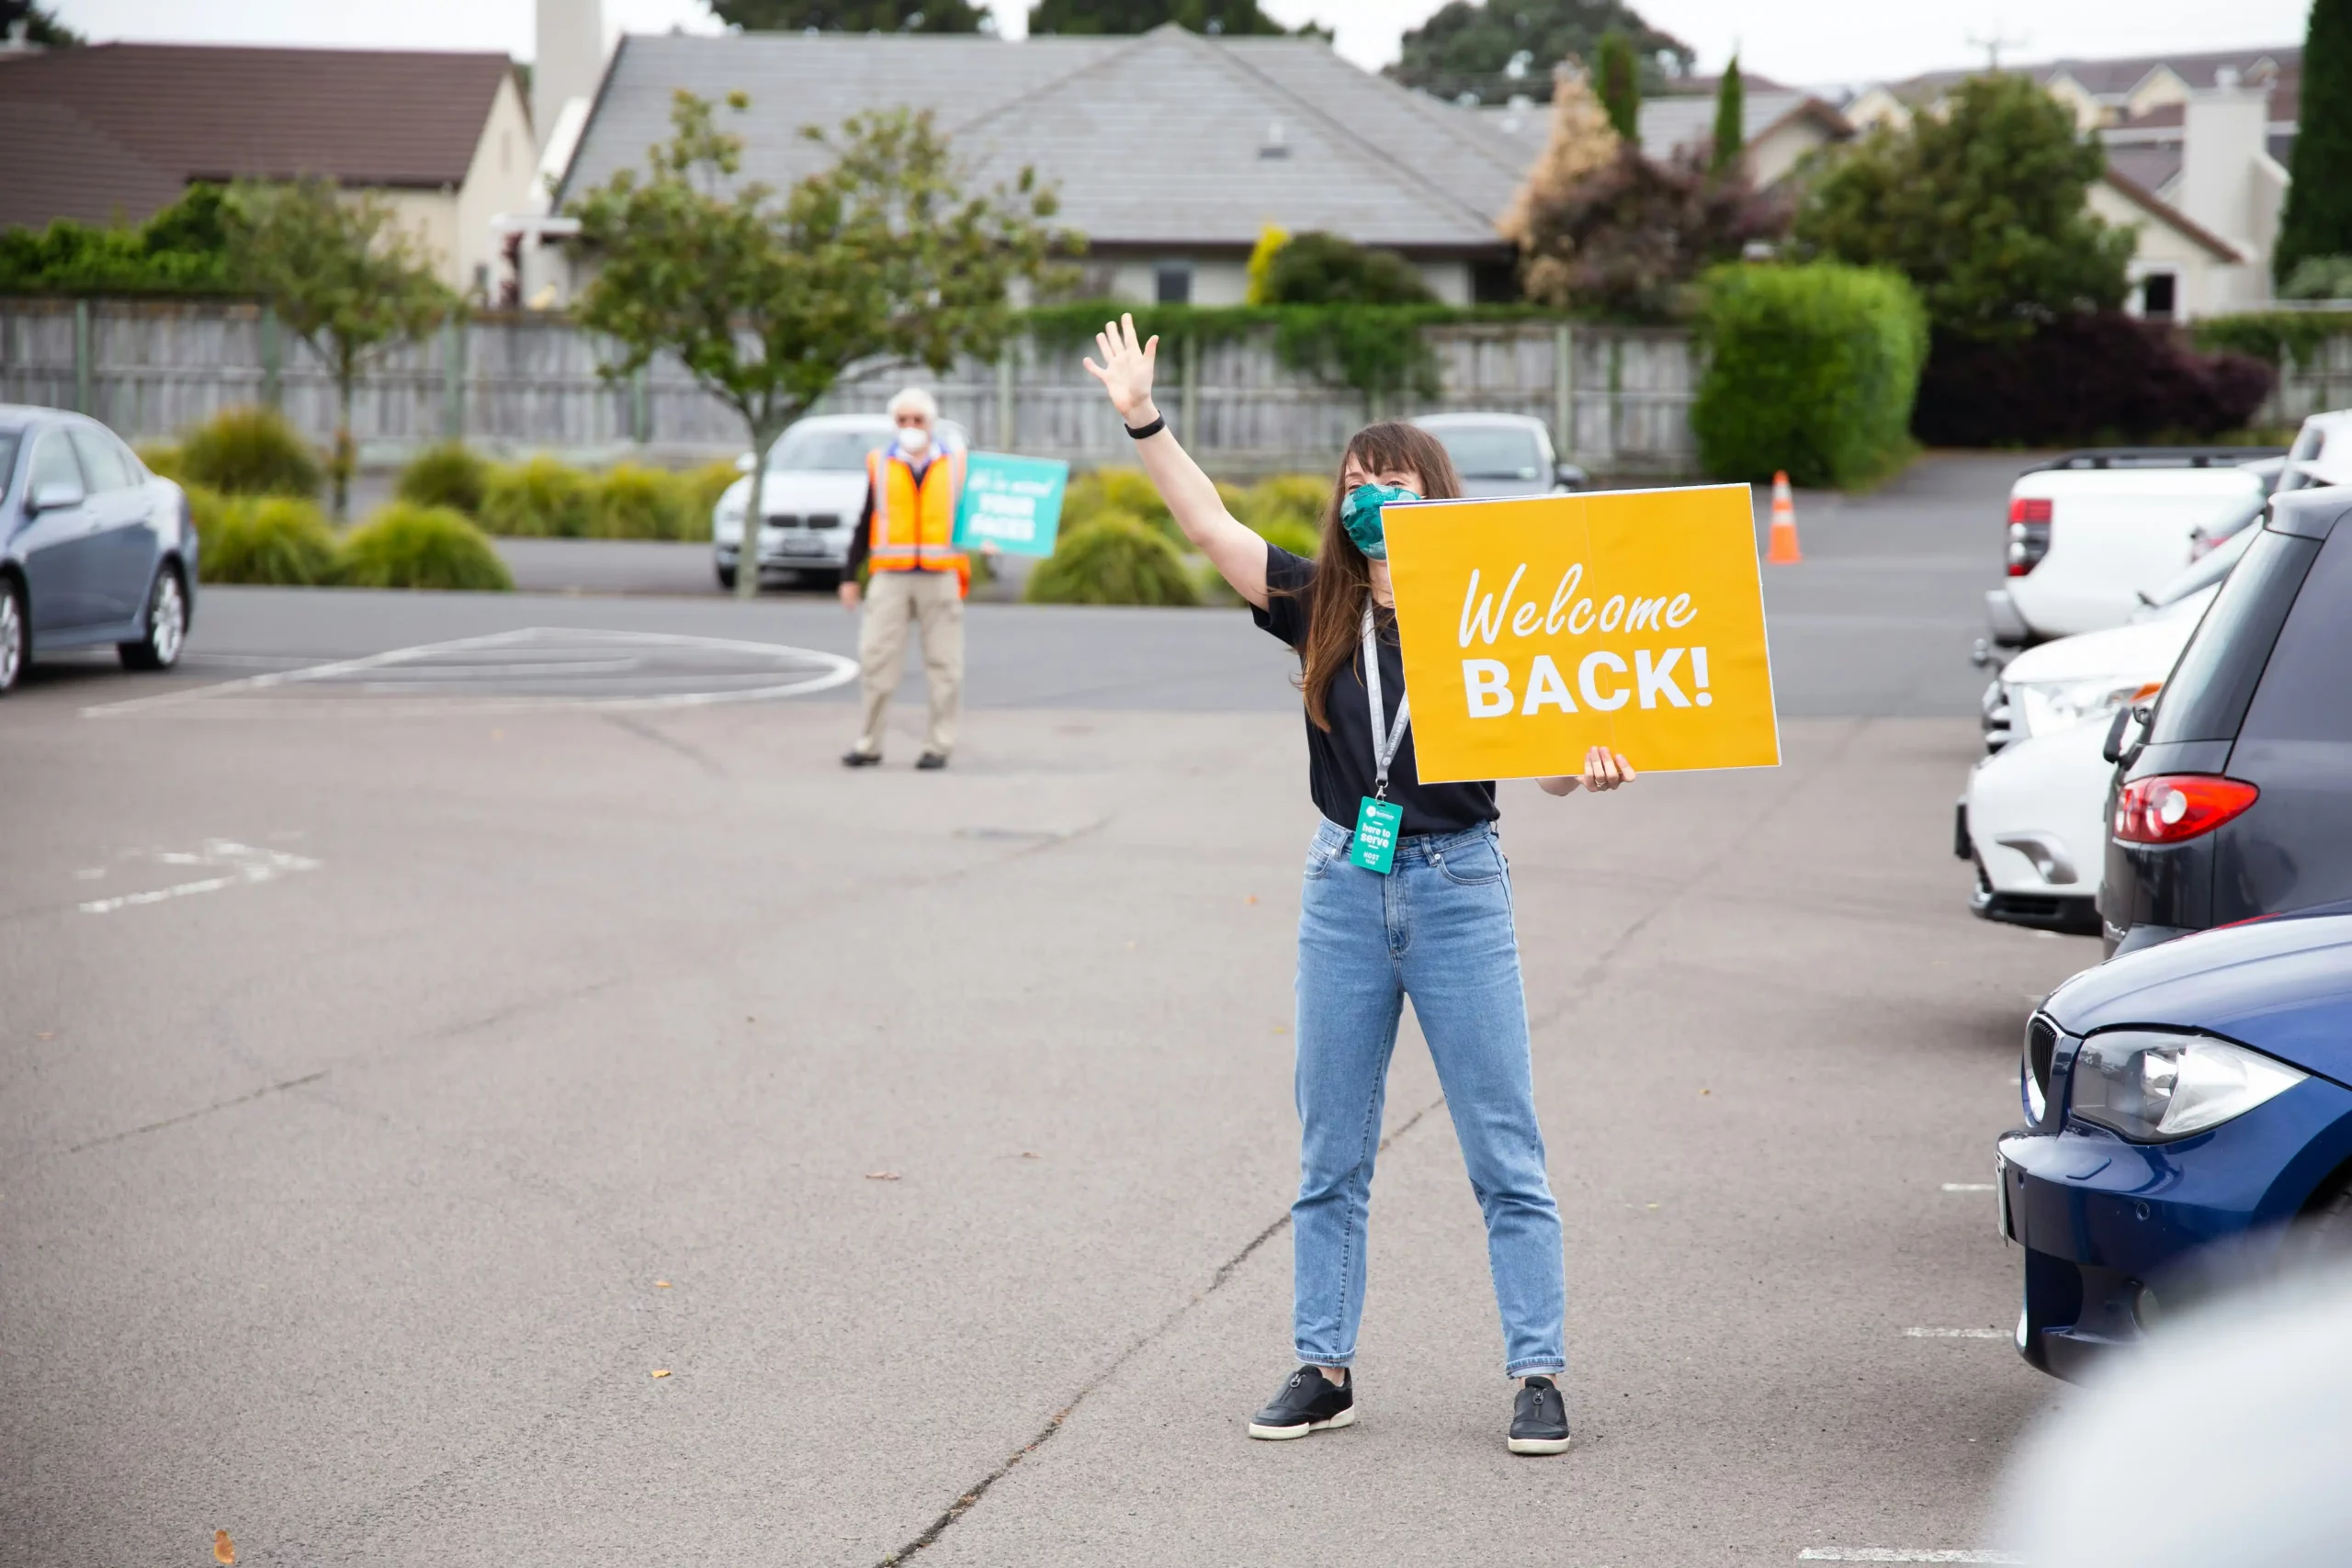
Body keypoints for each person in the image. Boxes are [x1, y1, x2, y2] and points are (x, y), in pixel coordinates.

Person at [1082, 313, 1635, 1457]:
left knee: (1503, 1149)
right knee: (1330, 1148)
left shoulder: (1493, 618)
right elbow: (1206, 520)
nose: (1368, 495)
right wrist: (1143, 415)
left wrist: (1586, 771)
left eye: (1391, 480)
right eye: (1354, 481)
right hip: (1343, 884)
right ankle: (1321, 1364)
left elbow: (1544, 763)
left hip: (1457, 886)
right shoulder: (1316, 602)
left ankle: (1537, 1374)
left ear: (1436, 494)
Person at [840, 388, 976, 771]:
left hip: (941, 575)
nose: (910, 427)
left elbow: (978, 513)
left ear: (931, 423)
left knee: (945, 666)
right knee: (876, 660)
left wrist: (990, 539)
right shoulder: (880, 463)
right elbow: (866, 519)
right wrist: (849, 575)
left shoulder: (957, 465)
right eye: (903, 420)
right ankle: (869, 744)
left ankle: (939, 745)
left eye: (917, 420)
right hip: (890, 576)